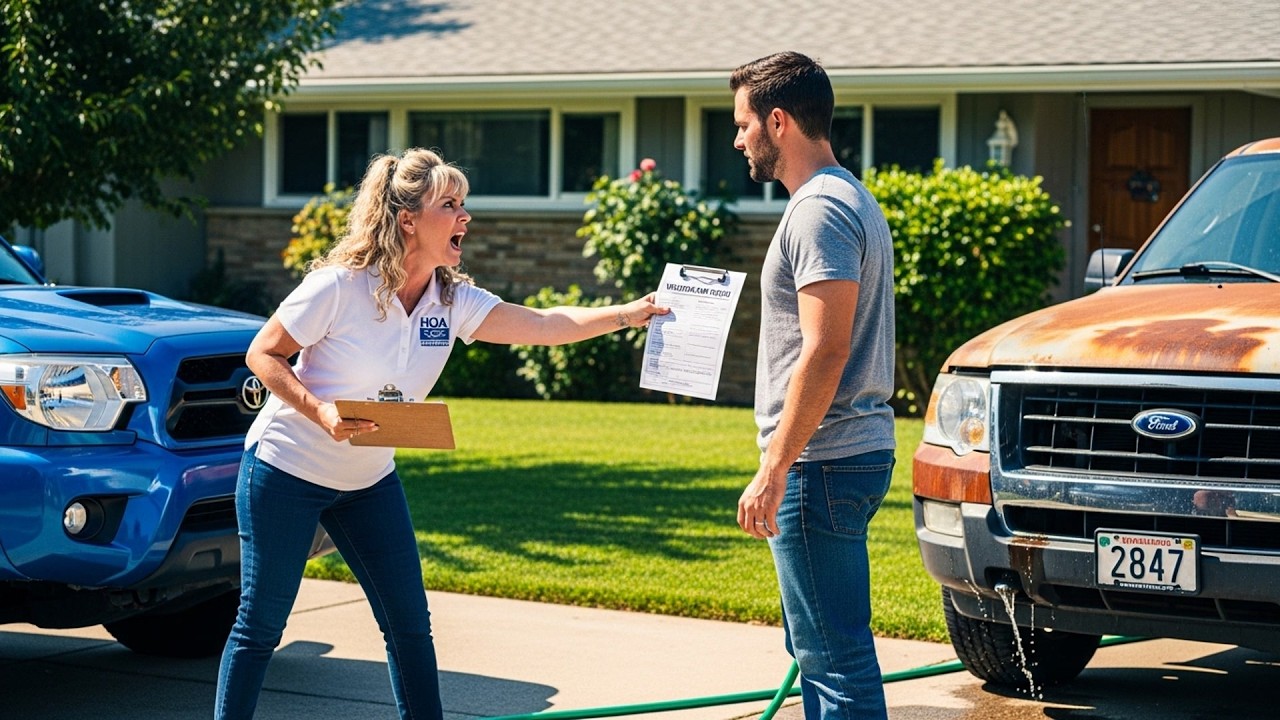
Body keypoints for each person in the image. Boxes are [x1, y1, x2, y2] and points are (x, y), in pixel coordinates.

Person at [214, 147, 667, 720]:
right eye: (450, 205)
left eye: (464, 205)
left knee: (409, 626)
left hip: (368, 479)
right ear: (408, 220)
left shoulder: (451, 302)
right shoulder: (339, 287)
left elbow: (545, 325)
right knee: (260, 624)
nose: (465, 217)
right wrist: (320, 411)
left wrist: (627, 314)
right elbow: (264, 352)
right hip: (285, 469)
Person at [729, 52, 897, 720]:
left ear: (778, 121)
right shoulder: (843, 198)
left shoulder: (819, 211)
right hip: (841, 456)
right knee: (820, 649)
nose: (738, 139)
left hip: (820, 463)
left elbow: (825, 350)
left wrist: (775, 468)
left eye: (744, 124)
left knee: (835, 662)